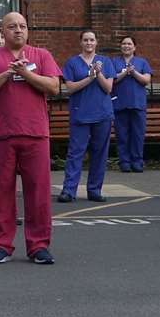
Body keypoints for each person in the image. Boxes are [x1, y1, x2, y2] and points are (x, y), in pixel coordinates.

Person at [0, 11, 58, 265]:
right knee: (0, 191)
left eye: (22, 26)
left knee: (39, 191)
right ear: (3, 31)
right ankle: (1, 244)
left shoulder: (41, 55)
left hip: (35, 133)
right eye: (12, 27)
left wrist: (26, 74)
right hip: (0, 133)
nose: (18, 30)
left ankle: (38, 245)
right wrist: (5, 75)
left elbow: (54, 87)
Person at [58, 29, 114, 202]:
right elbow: (70, 88)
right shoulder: (72, 63)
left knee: (100, 154)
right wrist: (90, 77)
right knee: (75, 153)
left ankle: (94, 190)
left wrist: (98, 74)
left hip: (102, 114)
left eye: (92, 40)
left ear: (96, 42)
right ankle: (69, 190)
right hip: (80, 114)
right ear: (81, 42)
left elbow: (108, 88)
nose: (89, 43)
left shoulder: (105, 62)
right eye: (86, 40)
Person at [111, 35, 151, 173]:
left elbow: (146, 80)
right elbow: (111, 80)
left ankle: (137, 161)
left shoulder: (142, 62)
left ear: (134, 47)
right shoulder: (114, 61)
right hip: (120, 103)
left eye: (129, 44)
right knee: (122, 135)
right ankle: (125, 162)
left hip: (138, 104)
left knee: (138, 135)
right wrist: (124, 73)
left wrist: (133, 72)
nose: (126, 46)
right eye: (124, 43)